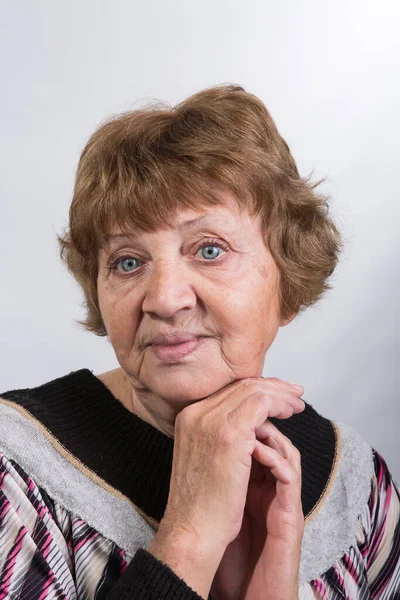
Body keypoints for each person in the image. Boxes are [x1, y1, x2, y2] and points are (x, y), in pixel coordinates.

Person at [0, 84, 399, 600]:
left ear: (290, 280)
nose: (164, 299)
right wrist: (189, 536)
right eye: (127, 261)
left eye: (209, 249)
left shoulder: (357, 486)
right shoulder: (17, 473)